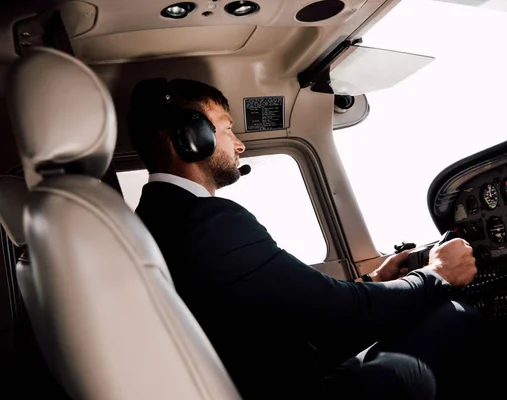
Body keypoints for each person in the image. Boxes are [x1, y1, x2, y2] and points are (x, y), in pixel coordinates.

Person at [128, 78, 483, 400]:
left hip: (260, 374)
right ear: (191, 139)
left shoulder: (153, 219)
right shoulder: (205, 221)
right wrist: (437, 273)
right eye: (227, 129)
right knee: (454, 317)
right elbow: (346, 313)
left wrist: (374, 279)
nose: (239, 146)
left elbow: (292, 305)